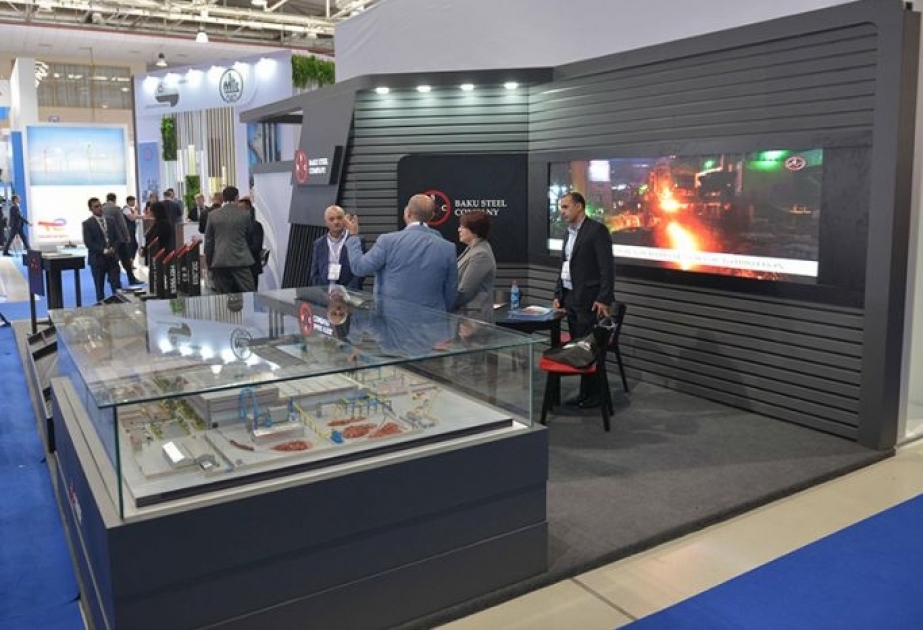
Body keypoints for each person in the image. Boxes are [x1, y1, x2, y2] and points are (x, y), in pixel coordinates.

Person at [552, 191, 615, 409]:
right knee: (579, 348)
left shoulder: (596, 231)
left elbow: (607, 268)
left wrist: (604, 298)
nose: (562, 212)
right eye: (561, 207)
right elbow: (564, 266)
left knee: (589, 349)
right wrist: (558, 294)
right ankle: (585, 392)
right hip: (571, 298)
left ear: (579, 206)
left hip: (590, 300)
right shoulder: (567, 234)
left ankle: (595, 395)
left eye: (565, 207)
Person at [343, 194, 457, 311]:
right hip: (434, 319)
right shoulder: (448, 248)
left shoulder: (387, 241)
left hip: (392, 319)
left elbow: (359, 268)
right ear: (432, 216)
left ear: (408, 213)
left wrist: (353, 235)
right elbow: (450, 290)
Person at [204, 186, 255, 294]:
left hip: (220, 260)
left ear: (223, 198)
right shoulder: (245, 215)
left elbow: (209, 241)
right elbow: (249, 235)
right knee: (249, 294)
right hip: (241, 260)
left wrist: (209, 262)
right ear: (237, 197)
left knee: (223, 297)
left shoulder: (213, 215)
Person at [452, 210, 496, 323]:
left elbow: (465, 292)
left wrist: (441, 300)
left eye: (463, 227)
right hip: (465, 317)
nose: (459, 229)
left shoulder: (481, 254)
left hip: (474, 320)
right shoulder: (472, 249)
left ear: (474, 230)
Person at [310, 205, 363, 290]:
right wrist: (323, 292)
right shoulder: (319, 243)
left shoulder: (355, 241)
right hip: (325, 293)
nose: (336, 222)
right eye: (331, 219)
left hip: (349, 293)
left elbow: (360, 273)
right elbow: (315, 273)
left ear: (345, 219)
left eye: (339, 218)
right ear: (326, 222)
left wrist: (346, 292)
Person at [83, 197, 122, 302]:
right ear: (90, 209)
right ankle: (101, 309)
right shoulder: (87, 224)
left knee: (117, 288)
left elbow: (118, 238)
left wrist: (113, 248)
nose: (99, 208)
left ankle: (120, 307)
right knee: (99, 289)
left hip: (112, 259)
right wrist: (104, 251)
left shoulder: (111, 220)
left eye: (100, 205)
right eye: (96, 207)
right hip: (97, 260)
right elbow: (89, 243)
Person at [239, 197, 264, 290]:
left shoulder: (256, 226)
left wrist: (240, 249)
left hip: (251, 266)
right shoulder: (238, 226)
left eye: (242, 209)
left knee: (252, 293)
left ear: (249, 210)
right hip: (240, 267)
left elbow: (257, 246)